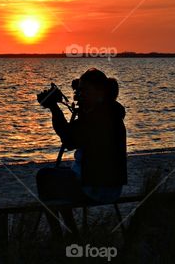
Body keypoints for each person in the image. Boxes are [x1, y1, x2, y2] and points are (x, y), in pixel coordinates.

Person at [36, 68, 127, 236]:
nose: (80, 94)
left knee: (43, 176)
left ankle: (59, 236)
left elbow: (69, 140)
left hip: (96, 189)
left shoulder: (96, 118)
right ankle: (72, 232)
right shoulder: (111, 111)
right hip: (114, 189)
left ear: (100, 92)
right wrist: (82, 100)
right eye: (80, 90)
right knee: (60, 175)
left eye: (85, 90)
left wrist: (54, 107)